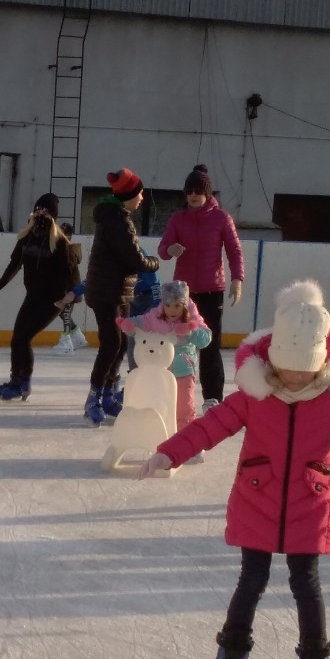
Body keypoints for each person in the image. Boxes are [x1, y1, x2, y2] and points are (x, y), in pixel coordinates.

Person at [138, 279, 330, 659]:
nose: (297, 376)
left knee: (308, 586)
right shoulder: (254, 394)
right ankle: (231, 657)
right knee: (252, 580)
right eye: (289, 366)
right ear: (275, 358)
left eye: (306, 367)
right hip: (257, 501)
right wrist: (169, 454)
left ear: (320, 361)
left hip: (309, 503)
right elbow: (210, 427)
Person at [56, 168, 160, 425]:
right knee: (112, 344)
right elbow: (134, 258)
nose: (142, 199)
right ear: (130, 195)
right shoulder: (117, 221)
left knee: (121, 343)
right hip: (107, 293)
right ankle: (93, 397)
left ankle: (108, 394)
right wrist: (154, 262)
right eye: (140, 194)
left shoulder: (117, 217)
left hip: (118, 292)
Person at [157, 164, 244, 414]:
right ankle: (171, 391)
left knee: (209, 344)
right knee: (176, 342)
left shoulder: (221, 218)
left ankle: (212, 396)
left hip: (211, 290)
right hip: (182, 294)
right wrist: (170, 250)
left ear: (207, 193)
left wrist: (237, 279)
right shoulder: (178, 219)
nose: (193, 195)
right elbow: (163, 250)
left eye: (198, 190)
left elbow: (235, 251)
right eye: (189, 191)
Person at [0, 192, 72, 400]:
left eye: (45, 211)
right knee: (17, 339)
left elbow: (71, 273)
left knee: (23, 338)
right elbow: (15, 264)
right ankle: (17, 380)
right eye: (37, 210)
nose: (40, 214)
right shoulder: (27, 236)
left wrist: (70, 298)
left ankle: (22, 383)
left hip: (53, 301)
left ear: (52, 216)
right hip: (33, 296)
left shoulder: (60, 242)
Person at [117, 280, 212, 460]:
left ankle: (189, 443)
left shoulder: (193, 318)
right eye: (168, 305)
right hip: (159, 374)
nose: (172, 310)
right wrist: (129, 324)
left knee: (184, 410)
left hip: (183, 371)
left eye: (177, 306)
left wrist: (191, 331)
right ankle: (162, 442)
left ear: (184, 304)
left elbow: (206, 339)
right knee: (160, 408)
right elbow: (141, 323)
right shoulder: (156, 316)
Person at [51, 221, 88, 355]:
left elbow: (66, 271)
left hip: (70, 288)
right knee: (63, 313)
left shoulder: (66, 250)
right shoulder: (64, 249)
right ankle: (78, 338)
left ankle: (66, 342)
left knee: (65, 313)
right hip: (69, 287)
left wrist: (66, 290)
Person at [125, 248, 162, 371]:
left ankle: (152, 371)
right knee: (132, 338)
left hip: (148, 298)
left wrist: (156, 306)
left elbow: (154, 282)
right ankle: (134, 374)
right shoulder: (117, 253)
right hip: (132, 299)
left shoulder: (138, 253)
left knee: (148, 337)